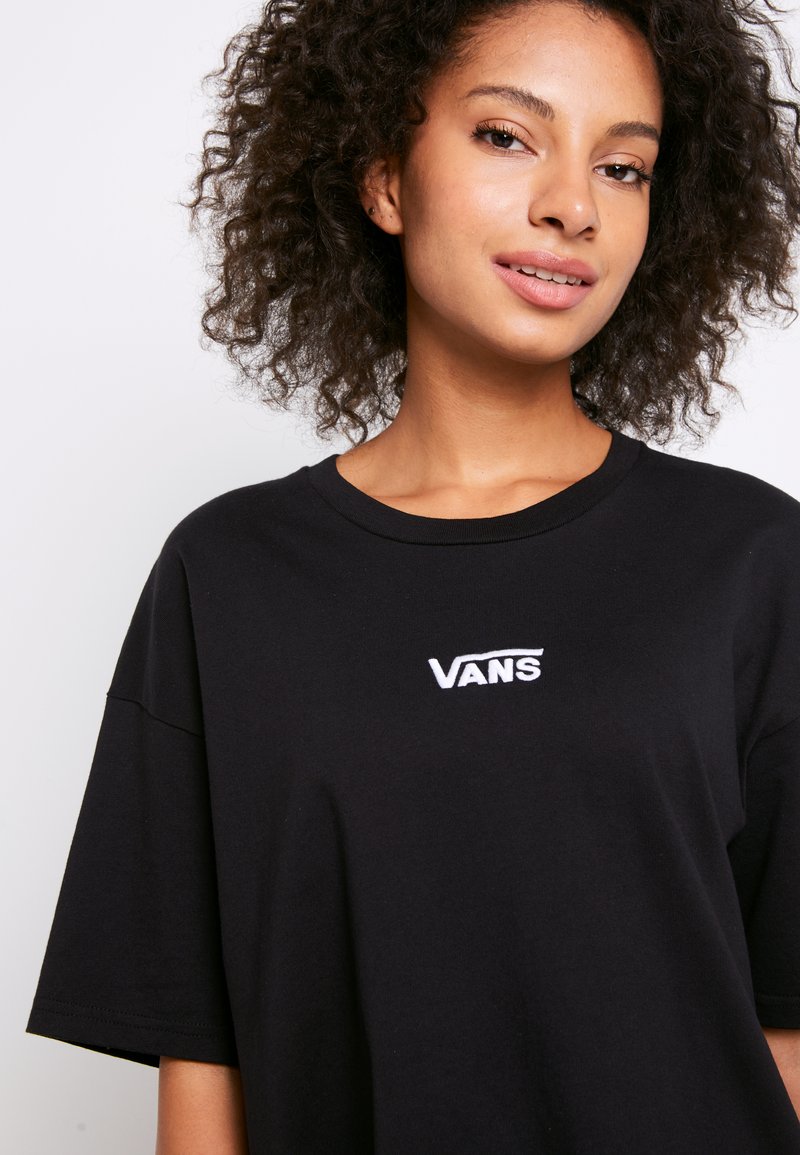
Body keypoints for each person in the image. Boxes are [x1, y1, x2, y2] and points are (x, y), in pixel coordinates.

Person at [26, 0, 800, 1150]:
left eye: (622, 167)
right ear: (383, 176)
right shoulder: (227, 577)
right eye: (505, 135)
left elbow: (785, 1032)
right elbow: (201, 1061)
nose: (573, 205)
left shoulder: (748, 560)